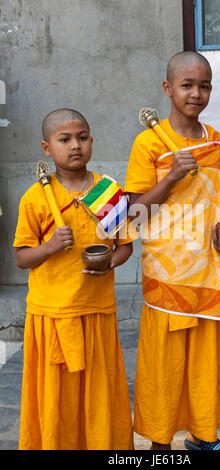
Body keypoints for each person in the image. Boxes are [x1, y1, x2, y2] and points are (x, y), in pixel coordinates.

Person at [125, 52, 220, 450]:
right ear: (168, 89)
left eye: (204, 85)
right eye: (187, 85)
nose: (196, 93)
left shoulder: (217, 143)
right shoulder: (148, 143)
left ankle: (203, 435)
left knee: (207, 357)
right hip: (168, 273)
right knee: (165, 363)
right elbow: (135, 212)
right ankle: (160, 443)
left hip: (210, 268)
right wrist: (171, 176)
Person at [14, 108, 134, 450]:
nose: (75, 145)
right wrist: (51, 246)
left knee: (98, 391)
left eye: (82, 137)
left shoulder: (108, 191)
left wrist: (108, 263)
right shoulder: (37, 197)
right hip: (52, 313)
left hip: (96, 309)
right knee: (56, 397)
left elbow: (124, 248)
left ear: (92, 142)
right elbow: (22, 258)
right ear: (46, 148)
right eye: (64, 139)